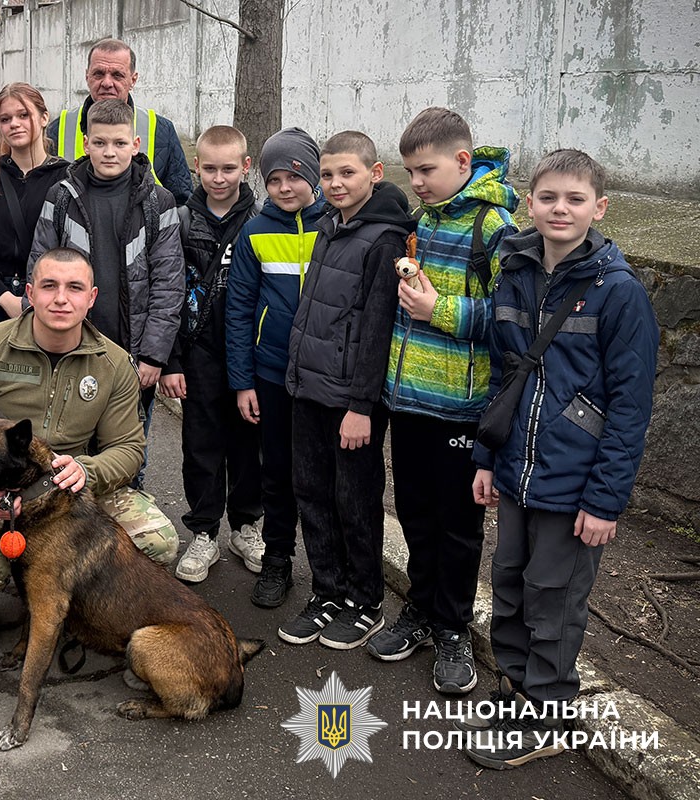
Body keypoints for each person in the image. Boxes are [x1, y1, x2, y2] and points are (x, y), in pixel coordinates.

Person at [465, 149, 658, 770]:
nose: (560, 209)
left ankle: (548, 710)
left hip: (575, 484)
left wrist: (605, 501)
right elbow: (502, 376)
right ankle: (518, 690)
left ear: (599, 209)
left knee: (555, 597)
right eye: (549, 197)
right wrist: (485, 459)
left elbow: (630, 407)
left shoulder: (618, 293)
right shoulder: (516, 271)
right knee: (512, 584)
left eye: (576, 200)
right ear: (529, 202)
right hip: (517, 470)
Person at [0, 248, 179, 657]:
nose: (61, 298)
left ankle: (76, 604)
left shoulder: (113, 363)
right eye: (49, 286)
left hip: (68, 488)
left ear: (91, 297)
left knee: (158, 542)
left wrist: (87, 469)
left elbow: (129, 447)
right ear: (30, 293)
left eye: (74, 288)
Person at [367, 107, 518, 695]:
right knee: (415, 517)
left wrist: (443, 311)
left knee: (458, 527)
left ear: (462, 161)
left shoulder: (497, 228)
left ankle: (452, 626)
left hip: (461, 408)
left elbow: (514, 321)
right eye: (409, 172)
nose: (418, 183)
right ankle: (422, 613)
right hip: (408, 405)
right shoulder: (420, 221)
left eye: (426, 170)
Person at [279, 131, 414, 650]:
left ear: (374, 175)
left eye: (347, 174)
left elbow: (377, 330)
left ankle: (365, 599)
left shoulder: (383, 240)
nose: (335, 184)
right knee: (310, 494)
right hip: (309, 389)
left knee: (353, 500)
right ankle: (328, 591)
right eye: (328, 175)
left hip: (350, 403)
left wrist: (361, 407)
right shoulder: (330, 226)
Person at [28, 98, 185, 489]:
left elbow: (169, 282)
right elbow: (41, 265)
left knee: (128, 449)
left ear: (135, 144)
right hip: (71, 346)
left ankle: (127, 531)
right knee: (69, 444)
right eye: (99, 143)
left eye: (118, 143)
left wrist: (153, 354)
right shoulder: (61, 197)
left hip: (133, 353)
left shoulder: (158, 202)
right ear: (85, 144)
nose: (109, 152)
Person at [224, 127, 329, 608]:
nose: (285, 187)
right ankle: (277, 562)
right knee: (279, 473)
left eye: (295, 175)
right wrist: (243, 381)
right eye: (274, 179)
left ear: (313, 173)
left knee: (325, 479)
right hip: (271, 375)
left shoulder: (337, 225)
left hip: (327, 378)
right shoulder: (255, 231)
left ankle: (333, 576)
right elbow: (240, 309)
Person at [159, 125, 261, 584]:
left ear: (246, 166)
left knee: (247, 446)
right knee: (200, 446)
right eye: (210, 168)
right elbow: (168, 293)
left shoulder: (262, 221)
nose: (219, 178)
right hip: (196, 354)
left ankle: (246, 525)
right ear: (196, 166)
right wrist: (172, 361)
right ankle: (204, 532)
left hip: (249, 357)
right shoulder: (179, 220)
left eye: (229, 168)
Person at [0, 82, 69, 330]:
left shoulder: (67, 179)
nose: (14, 124)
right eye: (5, 119)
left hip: (54, 301)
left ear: (44, 118)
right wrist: (5, 298)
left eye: (23, 115)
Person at [45, 38, 192, 205]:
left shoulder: (162, 131)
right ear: (87, 76)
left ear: (133, 80)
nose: (107, 83)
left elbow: (181, 203)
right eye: (98, 74)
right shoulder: (59, 128)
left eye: (117, 75)